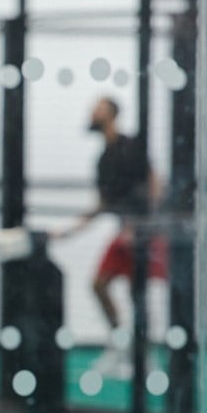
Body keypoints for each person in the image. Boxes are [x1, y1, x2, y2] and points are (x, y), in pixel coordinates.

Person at [57, 97, 166, 378]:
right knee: (99, 285)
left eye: (98, 106)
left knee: (137, 293)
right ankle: (121, 345)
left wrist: (145, 223)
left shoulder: (132, 146)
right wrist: (70, 230)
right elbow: (103, 203)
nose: (92, 110)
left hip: (143, 234)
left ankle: (144, 356)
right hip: (124, 234)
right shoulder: (103, 160)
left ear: (112, 113)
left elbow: (155, 182)